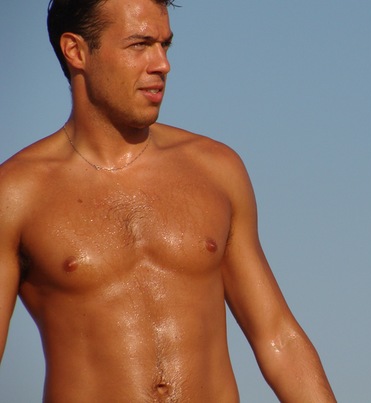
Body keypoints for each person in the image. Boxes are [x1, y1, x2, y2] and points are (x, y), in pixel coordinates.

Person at [0, 0, 336, 401]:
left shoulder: (215, 170)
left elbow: (277, 337)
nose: (162, 64)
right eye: (140, 45)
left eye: (165, 45)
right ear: (76, 51)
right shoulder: (17, 193)